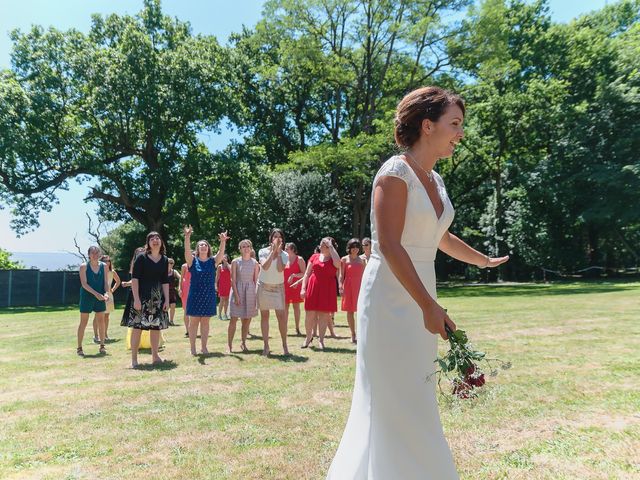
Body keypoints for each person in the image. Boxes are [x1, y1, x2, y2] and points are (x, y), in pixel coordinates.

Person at [327, 86, 509, 479]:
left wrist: (481, 260)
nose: (460, 133)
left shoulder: (436, 180)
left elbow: (439, 236)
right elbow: (389, 245)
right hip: (391, 296)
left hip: (422, 289)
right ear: (428, 126)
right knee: (391, 395)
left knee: (417, 393)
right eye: (454, 124)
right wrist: (428, 304)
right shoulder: (394, 174)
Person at [121, 232, 170, 368]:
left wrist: (166, 299)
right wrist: (136, 299)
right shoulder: (141, 258)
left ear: (161, 242)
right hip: (140, 298)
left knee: (155, 328)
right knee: (137, 328)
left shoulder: (165, 259)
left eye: (158, 238)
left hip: (157, 300)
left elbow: (165, 281)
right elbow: (135, 280)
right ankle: (134, 360)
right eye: (152, 239)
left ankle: (155, 356)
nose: (155, 240)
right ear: (148, 243)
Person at [184, 225, 229, 356]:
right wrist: (187, 237)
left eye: (205, 245)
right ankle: (193, 349)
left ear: (208, 248)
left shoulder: (213, 261)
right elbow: (187, 251)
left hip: (208, 295)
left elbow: (221, 253)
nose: (203, 246)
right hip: (195, 295)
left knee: (205, 322)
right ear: (197, 249)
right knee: (193, 323)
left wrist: (223, 241)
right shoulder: (192, 261)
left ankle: (204, 348)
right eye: (200, 245)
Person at [300, 237, 340, 350]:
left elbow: (338, 264)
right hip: (313, 286)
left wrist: (331, 246)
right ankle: (308, 337)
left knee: (323, 315)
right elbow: (307, 274)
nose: (321, 246)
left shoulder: (334, 259)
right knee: (309, 315)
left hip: (327, 288)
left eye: (324, 245)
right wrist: (303, 288)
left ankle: (321, 340)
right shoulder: (314, 257)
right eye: (321, 244)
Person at [257, 228, 290, 356]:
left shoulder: (285, 254)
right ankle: (266, 346)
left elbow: (280, 269)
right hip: (264, 285)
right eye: (274, 236)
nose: (277, 238)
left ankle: (285, 346)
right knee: (264, 316)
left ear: (282, 239)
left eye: (279, 236)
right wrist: (272, 252)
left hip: (278, 287)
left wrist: (278, 252)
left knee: (281, 317)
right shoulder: (263, 251)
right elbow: (265, 267)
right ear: (271, 238)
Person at [227, 239, 260, 353]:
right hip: (238, 290)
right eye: (243, 247)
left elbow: (256, 281)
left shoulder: (255, 263)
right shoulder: (236, 262)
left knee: (247, 319)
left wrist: (257, 296)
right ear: (240, 249)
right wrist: (236, 296)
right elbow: (233, 280)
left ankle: (243, 342)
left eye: (247, 246)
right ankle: (229, 345)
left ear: (251, 248)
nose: (245, 248)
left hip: (250, 291)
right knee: (234, 319)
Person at [77, 246, 110, 356]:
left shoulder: (104, 266)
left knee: (101, 321)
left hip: (100, 296)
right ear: (89, 255)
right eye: (93, 253)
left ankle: (102, 346)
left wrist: (106, 293)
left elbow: (105, 282)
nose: (95, 255)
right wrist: (97, 294)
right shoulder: (84, 267)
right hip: (87, 297)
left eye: (97, 253)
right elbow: (84, 284)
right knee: (84, 322)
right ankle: (79, 348)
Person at [339, 238, 365, 343]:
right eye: (353, 247)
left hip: (360, 287)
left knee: (361, 311)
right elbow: (341, 274)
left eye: (357, 247)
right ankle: (353, 333)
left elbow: (364, 276)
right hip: (348, 286)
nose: (355, 249)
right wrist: (340, 286)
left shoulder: (362, 260)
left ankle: (361, 333)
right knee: (350, 311)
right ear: (349, 248)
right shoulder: (344, 259)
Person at [92, 254, 120, 343]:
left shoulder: (112, 272)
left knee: (106, 316)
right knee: (98, 315)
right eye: (104, 261)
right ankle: (96, 336)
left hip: (109, 295)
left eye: (108, 261)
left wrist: (112, 290)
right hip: (100, 295)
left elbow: (118, 281)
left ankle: (105, 334)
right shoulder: (98, 271)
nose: (107, 262)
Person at [283, 242, 306, 336]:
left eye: (287, 248)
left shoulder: (299, 259)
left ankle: (297, 328)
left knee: (296, 307)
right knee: (285, 308)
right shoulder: (284, 259)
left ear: (293, 249)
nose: (285, 250)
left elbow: (304, 274)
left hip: (296, 286)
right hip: (285, 286)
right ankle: (284, 328)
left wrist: (294, 275)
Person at [216, 255, 232, 320]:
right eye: (223, 258)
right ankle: (219, 315)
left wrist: (227, 264)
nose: (224, 259)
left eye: (225, 257)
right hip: (222, 285)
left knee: (227, 300)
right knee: (222, 300)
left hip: (229, 285)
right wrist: (216, 285)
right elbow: (217, 277)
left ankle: (225, 314)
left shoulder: (230, 265)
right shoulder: (220, 267)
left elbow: (231, 271)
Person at [167, 258, 181, 326]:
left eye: (172, 263)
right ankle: (165, 320)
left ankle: (171, 321)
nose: (171, 264)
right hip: (164, 291)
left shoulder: (174, 272)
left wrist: (179, 286)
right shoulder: (162, 272)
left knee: (173, 306)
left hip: (172, 291)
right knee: (165, 307)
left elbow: (180, 277)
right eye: (170, 263)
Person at [179, 260, 191, 337]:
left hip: (195, 288)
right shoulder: (184, 266)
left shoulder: (198, 265)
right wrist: (180, 288)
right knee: (186, 310)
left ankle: (193, 329)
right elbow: (181, 278)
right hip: (186, 288)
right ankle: (187, 330)